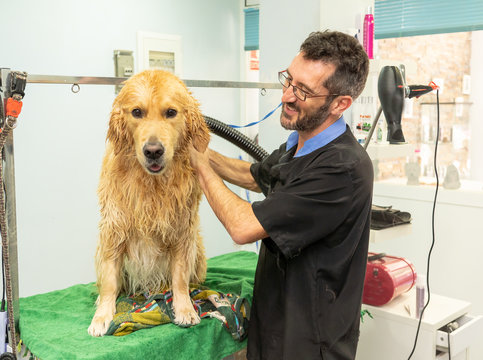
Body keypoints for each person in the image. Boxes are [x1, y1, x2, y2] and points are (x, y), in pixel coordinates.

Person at [189, 30, 373, 360]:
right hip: (273, 325)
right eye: (288, 80)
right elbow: (254, 175)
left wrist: (199, 165)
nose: (286, 96)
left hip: (308, 344)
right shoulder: (299, 145)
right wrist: (196, 149)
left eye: (302, 91)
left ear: (340, 104)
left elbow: (242, 227)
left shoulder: (341, 168)